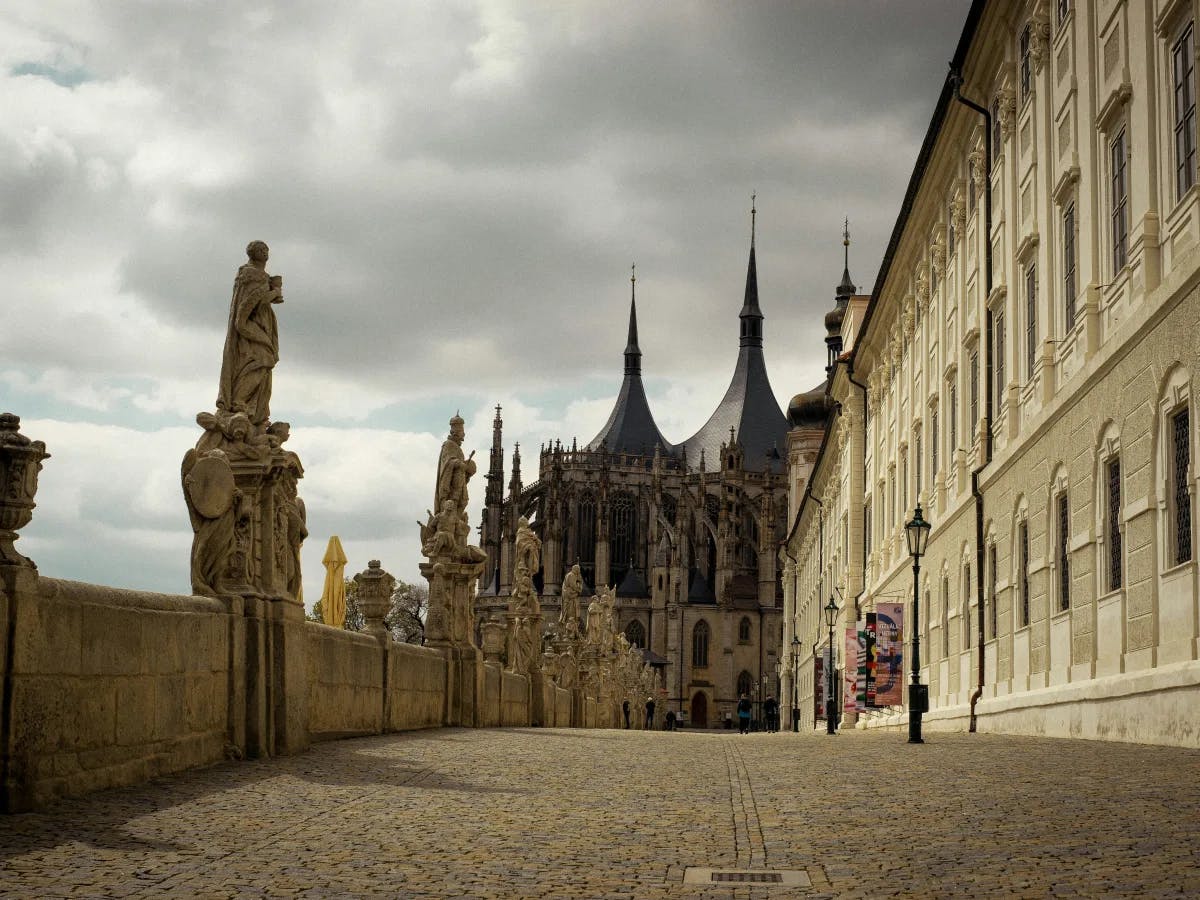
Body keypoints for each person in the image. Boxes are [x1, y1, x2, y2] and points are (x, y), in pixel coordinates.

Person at [217, 241, 283, 427]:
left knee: (264, 366)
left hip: (261, 326)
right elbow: (250, 304)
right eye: (261, 250)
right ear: (253, 254)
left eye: (266, 249)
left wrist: (271, 292)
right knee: (262, 361)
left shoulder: (260, 276)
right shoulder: (251, 274)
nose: (266, 252)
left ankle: (255, 412)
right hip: (250, 330)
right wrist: (273, 292)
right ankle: (239, 402)